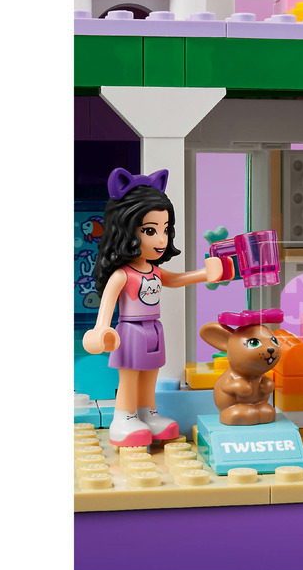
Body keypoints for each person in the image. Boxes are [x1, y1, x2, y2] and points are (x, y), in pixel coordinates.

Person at [83, 168, 226, 446]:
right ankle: (123, 417)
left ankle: (147, 413)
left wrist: (205, 273)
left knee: (150, 374)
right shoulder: (122, 275)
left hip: (154, 329)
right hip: (129, 331)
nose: (161, 239)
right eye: (150, 230)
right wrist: (101, 330)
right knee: (129, 375)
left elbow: (176, 279)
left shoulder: (154, 270)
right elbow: (107, 304)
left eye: (165, 229)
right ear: (125, 231)